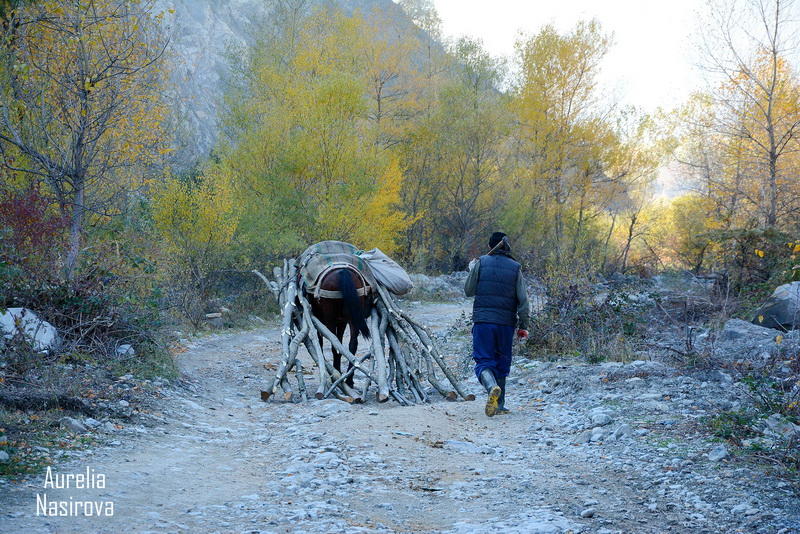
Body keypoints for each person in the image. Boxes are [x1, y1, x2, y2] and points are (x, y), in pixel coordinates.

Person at [464, 232, 530, 417]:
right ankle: (499, 405)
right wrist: (524, 325)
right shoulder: (515, 267)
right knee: (502, 362)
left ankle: (491, 386)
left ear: (490, 246)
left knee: (484, 360)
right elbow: (523, 300)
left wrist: (472, 270)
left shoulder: (481, 262)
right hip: (505, 324)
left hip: (483, 321)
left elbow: (468, 291)